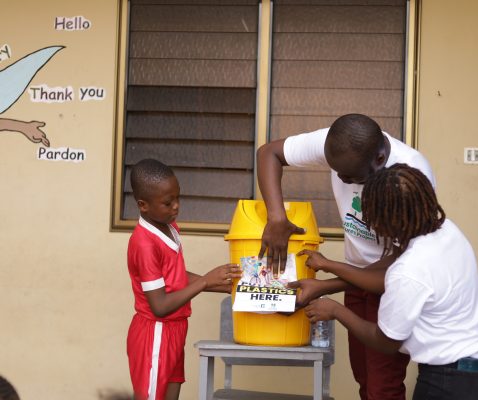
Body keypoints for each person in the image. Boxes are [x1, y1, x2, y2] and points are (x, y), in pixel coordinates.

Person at [257, 114, 435, 399]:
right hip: (357, 279)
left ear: (379, 159)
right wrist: (276, 217)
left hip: (390, 285)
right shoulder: (337, 142)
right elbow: (269, 153)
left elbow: (398, 264)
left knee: (382, 386)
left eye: (352, 177)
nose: (342, 180)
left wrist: (327, 284)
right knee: (364, 379)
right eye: (336, 171)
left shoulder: (411, 175)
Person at [304, 164, 478, 400]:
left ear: (387, 219)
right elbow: (392, 261)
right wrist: (329, 269)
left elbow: (385, 341)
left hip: (449, 382)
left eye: (371, 215)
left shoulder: (409, 271)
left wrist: (335, 310)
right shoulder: (447, 231)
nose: (369, 222)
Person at [126, 159, 241, 400]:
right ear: (143, 205)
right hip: (155, 333)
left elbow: (174, 276)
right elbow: (159, 306)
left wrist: (223, 286)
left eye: (178, 198)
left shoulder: (168, 226)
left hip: (176, 329)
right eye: (168, 203)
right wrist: (205, 282)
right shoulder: (144, 243)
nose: (176, 207)